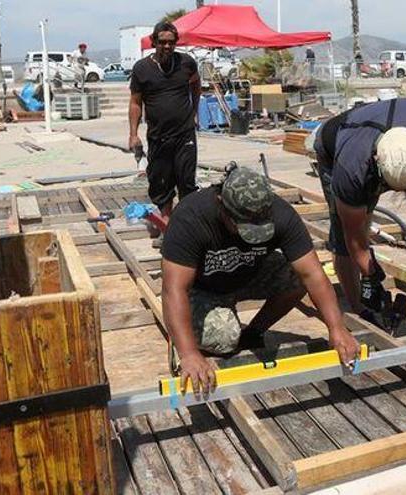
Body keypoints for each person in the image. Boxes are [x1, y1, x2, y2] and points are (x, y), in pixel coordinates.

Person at [160, 166, 361, 394]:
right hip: (204, 289)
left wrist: (336, 328)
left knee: (295, 278)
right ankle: (180, 336)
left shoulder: (280, 214)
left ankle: (253, 333)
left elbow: (312, 274)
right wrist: (189, 354)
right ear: (222, 206)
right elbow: (174, 289)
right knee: (226, 338)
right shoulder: (191, 217)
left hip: (246, 275)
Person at [313, 97, 406, 319]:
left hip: (379, 139)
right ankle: (359, 308)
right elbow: (353, 239)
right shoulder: (351, 170)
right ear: (376, 161)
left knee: (364, 221)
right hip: (333, 146)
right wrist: (371, 276)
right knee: (344, 236)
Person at [129, 21, 202, 235]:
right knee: (161, 183)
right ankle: (167, 227)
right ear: (154, 42)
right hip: (158, 136)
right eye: (162, 42)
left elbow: (196, 85)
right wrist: (133, 134)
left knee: (186, 181)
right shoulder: (142, 69)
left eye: (171, 42)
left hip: (184, 134)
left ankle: (188, 227)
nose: (167, 47)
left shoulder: (187, 63)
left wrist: (195, 110)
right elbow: (135, 102)